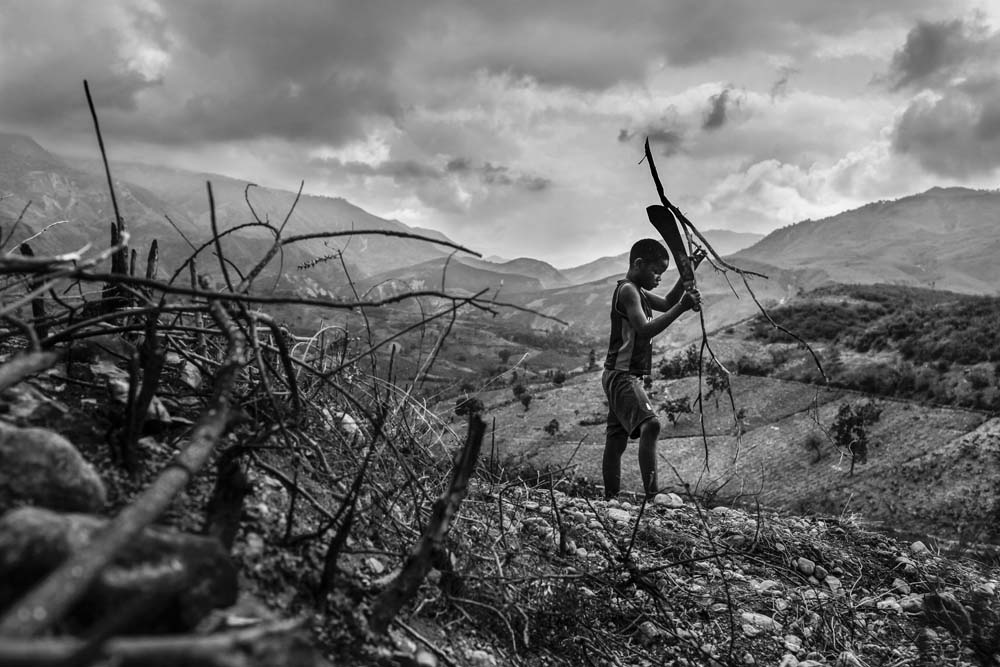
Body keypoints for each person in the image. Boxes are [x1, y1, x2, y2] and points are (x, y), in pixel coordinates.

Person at [602, 238, 702, 499]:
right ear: (638, 264)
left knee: (616, 439)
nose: (659, 278)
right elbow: (645, 330)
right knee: (652, 426)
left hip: (618, 373)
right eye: (656, 272)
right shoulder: (628, 291)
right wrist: (683, 306)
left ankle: (610, 497)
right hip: (622, 375)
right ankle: (653, 497)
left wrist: (687, 274)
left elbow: (668, 302)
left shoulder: (637, 290)